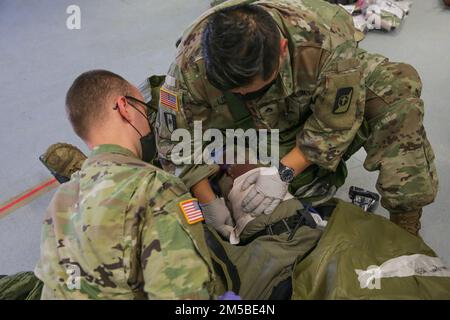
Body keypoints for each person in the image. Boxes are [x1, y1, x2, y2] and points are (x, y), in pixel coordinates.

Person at [155, 0, 438, 236]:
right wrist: (207, 201)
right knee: (276, 207)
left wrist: (283, 173)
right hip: (247, 128)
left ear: (281, 51)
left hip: (312, 100)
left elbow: (334, 122)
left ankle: (406, 222)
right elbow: (174, 143)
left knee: (396, 91)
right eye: (234, 90)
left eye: (251, 87)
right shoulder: (188, 67)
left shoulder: (326, 38)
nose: (241, 92)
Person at [34, 70, 218, 299]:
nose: (150, 125)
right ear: (125, 107)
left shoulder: (60, 199)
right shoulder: (156, 189)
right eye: (144, 110)